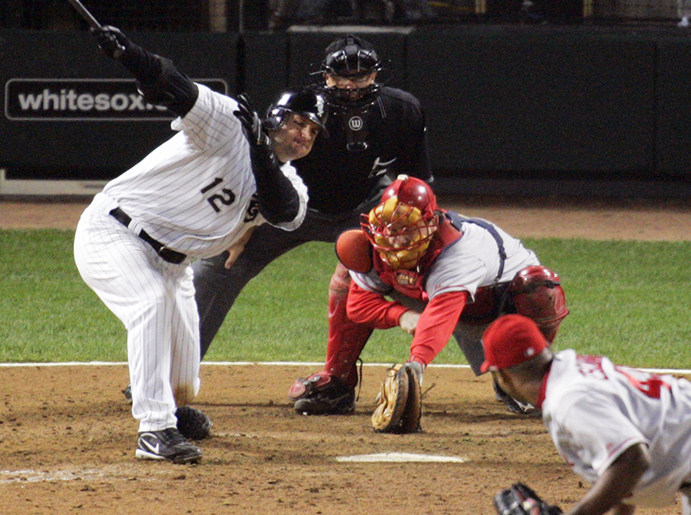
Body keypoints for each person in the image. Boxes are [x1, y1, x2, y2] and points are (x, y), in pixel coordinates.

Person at [74, 25, 326, 464]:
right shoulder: (228, 121)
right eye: (298, 122)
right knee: (149, 306)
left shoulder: (292, 185)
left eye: (313, 130)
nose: (304, 134)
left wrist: (260, 152)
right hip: (115, 231)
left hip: (175, 265)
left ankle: (169, 406)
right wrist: (128, 52)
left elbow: (282, 210)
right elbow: (172, 85)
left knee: (185, 377)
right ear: (274, 117)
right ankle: (154, 430)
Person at [192, 34, 433, 399]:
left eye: (361, 76)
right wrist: (240, 229)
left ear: (375, 76)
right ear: (326, 77)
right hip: (292, 209)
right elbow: (262, 168)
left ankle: (507, 373)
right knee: (218, 266)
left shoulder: (403, 110)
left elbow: (419, 182)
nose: (352, 85)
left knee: (434, 275)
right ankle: (168, 372)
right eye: (343, 76)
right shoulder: (301, 107)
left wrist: (421, 243)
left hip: (364, 215)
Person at [294, 174, 568, 416]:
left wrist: (416, 366)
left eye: (406, 228)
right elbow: (357, 305)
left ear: (430, 223)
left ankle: (523, 379)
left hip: (493, 308)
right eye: (389, 226)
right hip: (430, 297)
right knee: (347, 271)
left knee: (539, 289)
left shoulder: (459, 253)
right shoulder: (374, 245)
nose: (395, 239)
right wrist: (401, 316)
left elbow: (440, 318)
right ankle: (337, 381)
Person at [482, 313, 691, 515]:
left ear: (502, 376)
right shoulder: (572, 372)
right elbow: (622, 469)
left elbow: (631, 460)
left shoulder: (569, 400)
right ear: (545, 348)